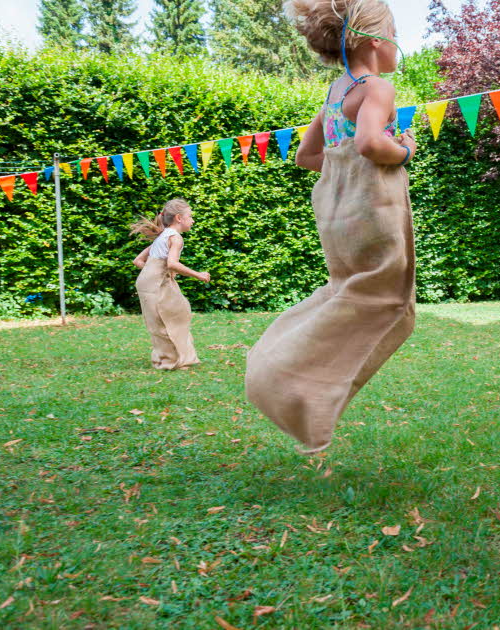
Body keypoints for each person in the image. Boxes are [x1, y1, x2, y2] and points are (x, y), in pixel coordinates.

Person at [244, 0, 417, 454]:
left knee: (344, 291)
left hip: (336, 216)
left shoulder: (334, 94)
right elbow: (368, 142)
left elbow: (306, 157)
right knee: (390, 301)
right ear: (378, 41)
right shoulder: (377, 87)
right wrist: (404, 151)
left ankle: (279, 365)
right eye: (396, 33)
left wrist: (344, 168)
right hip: (372, 213)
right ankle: (303, 392)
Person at [131, 198, 210, 370]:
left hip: (149, 282)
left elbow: (138, 261)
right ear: (179, 218)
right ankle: (169, 362)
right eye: (190, 216)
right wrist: (199, 275)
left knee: (175, 313)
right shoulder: (175, 237)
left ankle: (178, 357)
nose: (193, 220)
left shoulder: (163, 236)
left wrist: (155, 273)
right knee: (166, 320)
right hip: (155, 284)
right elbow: (172, 264)